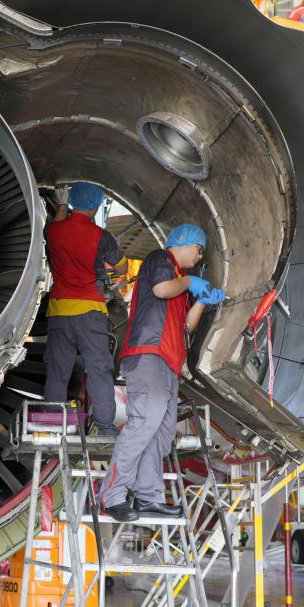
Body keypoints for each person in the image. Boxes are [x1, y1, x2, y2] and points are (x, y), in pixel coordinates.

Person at [99, 223, 225, 521]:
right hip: (149, 355)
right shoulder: (161, 260)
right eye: (199, 249)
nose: (199, 256)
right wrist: (190, 282)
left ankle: (148, 497)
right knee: (144, 425)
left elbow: (185, 328)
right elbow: (160, 289)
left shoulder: (179, 281)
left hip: (169, 364)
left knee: (162, 434)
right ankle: (112, 496)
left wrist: (201, 301)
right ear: (184, 242)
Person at [42, 182, 123, 435]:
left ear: (73, 202)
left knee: (57, 371)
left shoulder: (54, 231)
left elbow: (56, 225)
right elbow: (121, 268)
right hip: (91, 312)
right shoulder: (101, 236)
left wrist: (62, 204)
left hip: (60, 312)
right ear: (95, 207)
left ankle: (53, 426)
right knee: (99, 369)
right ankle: (105, 427)